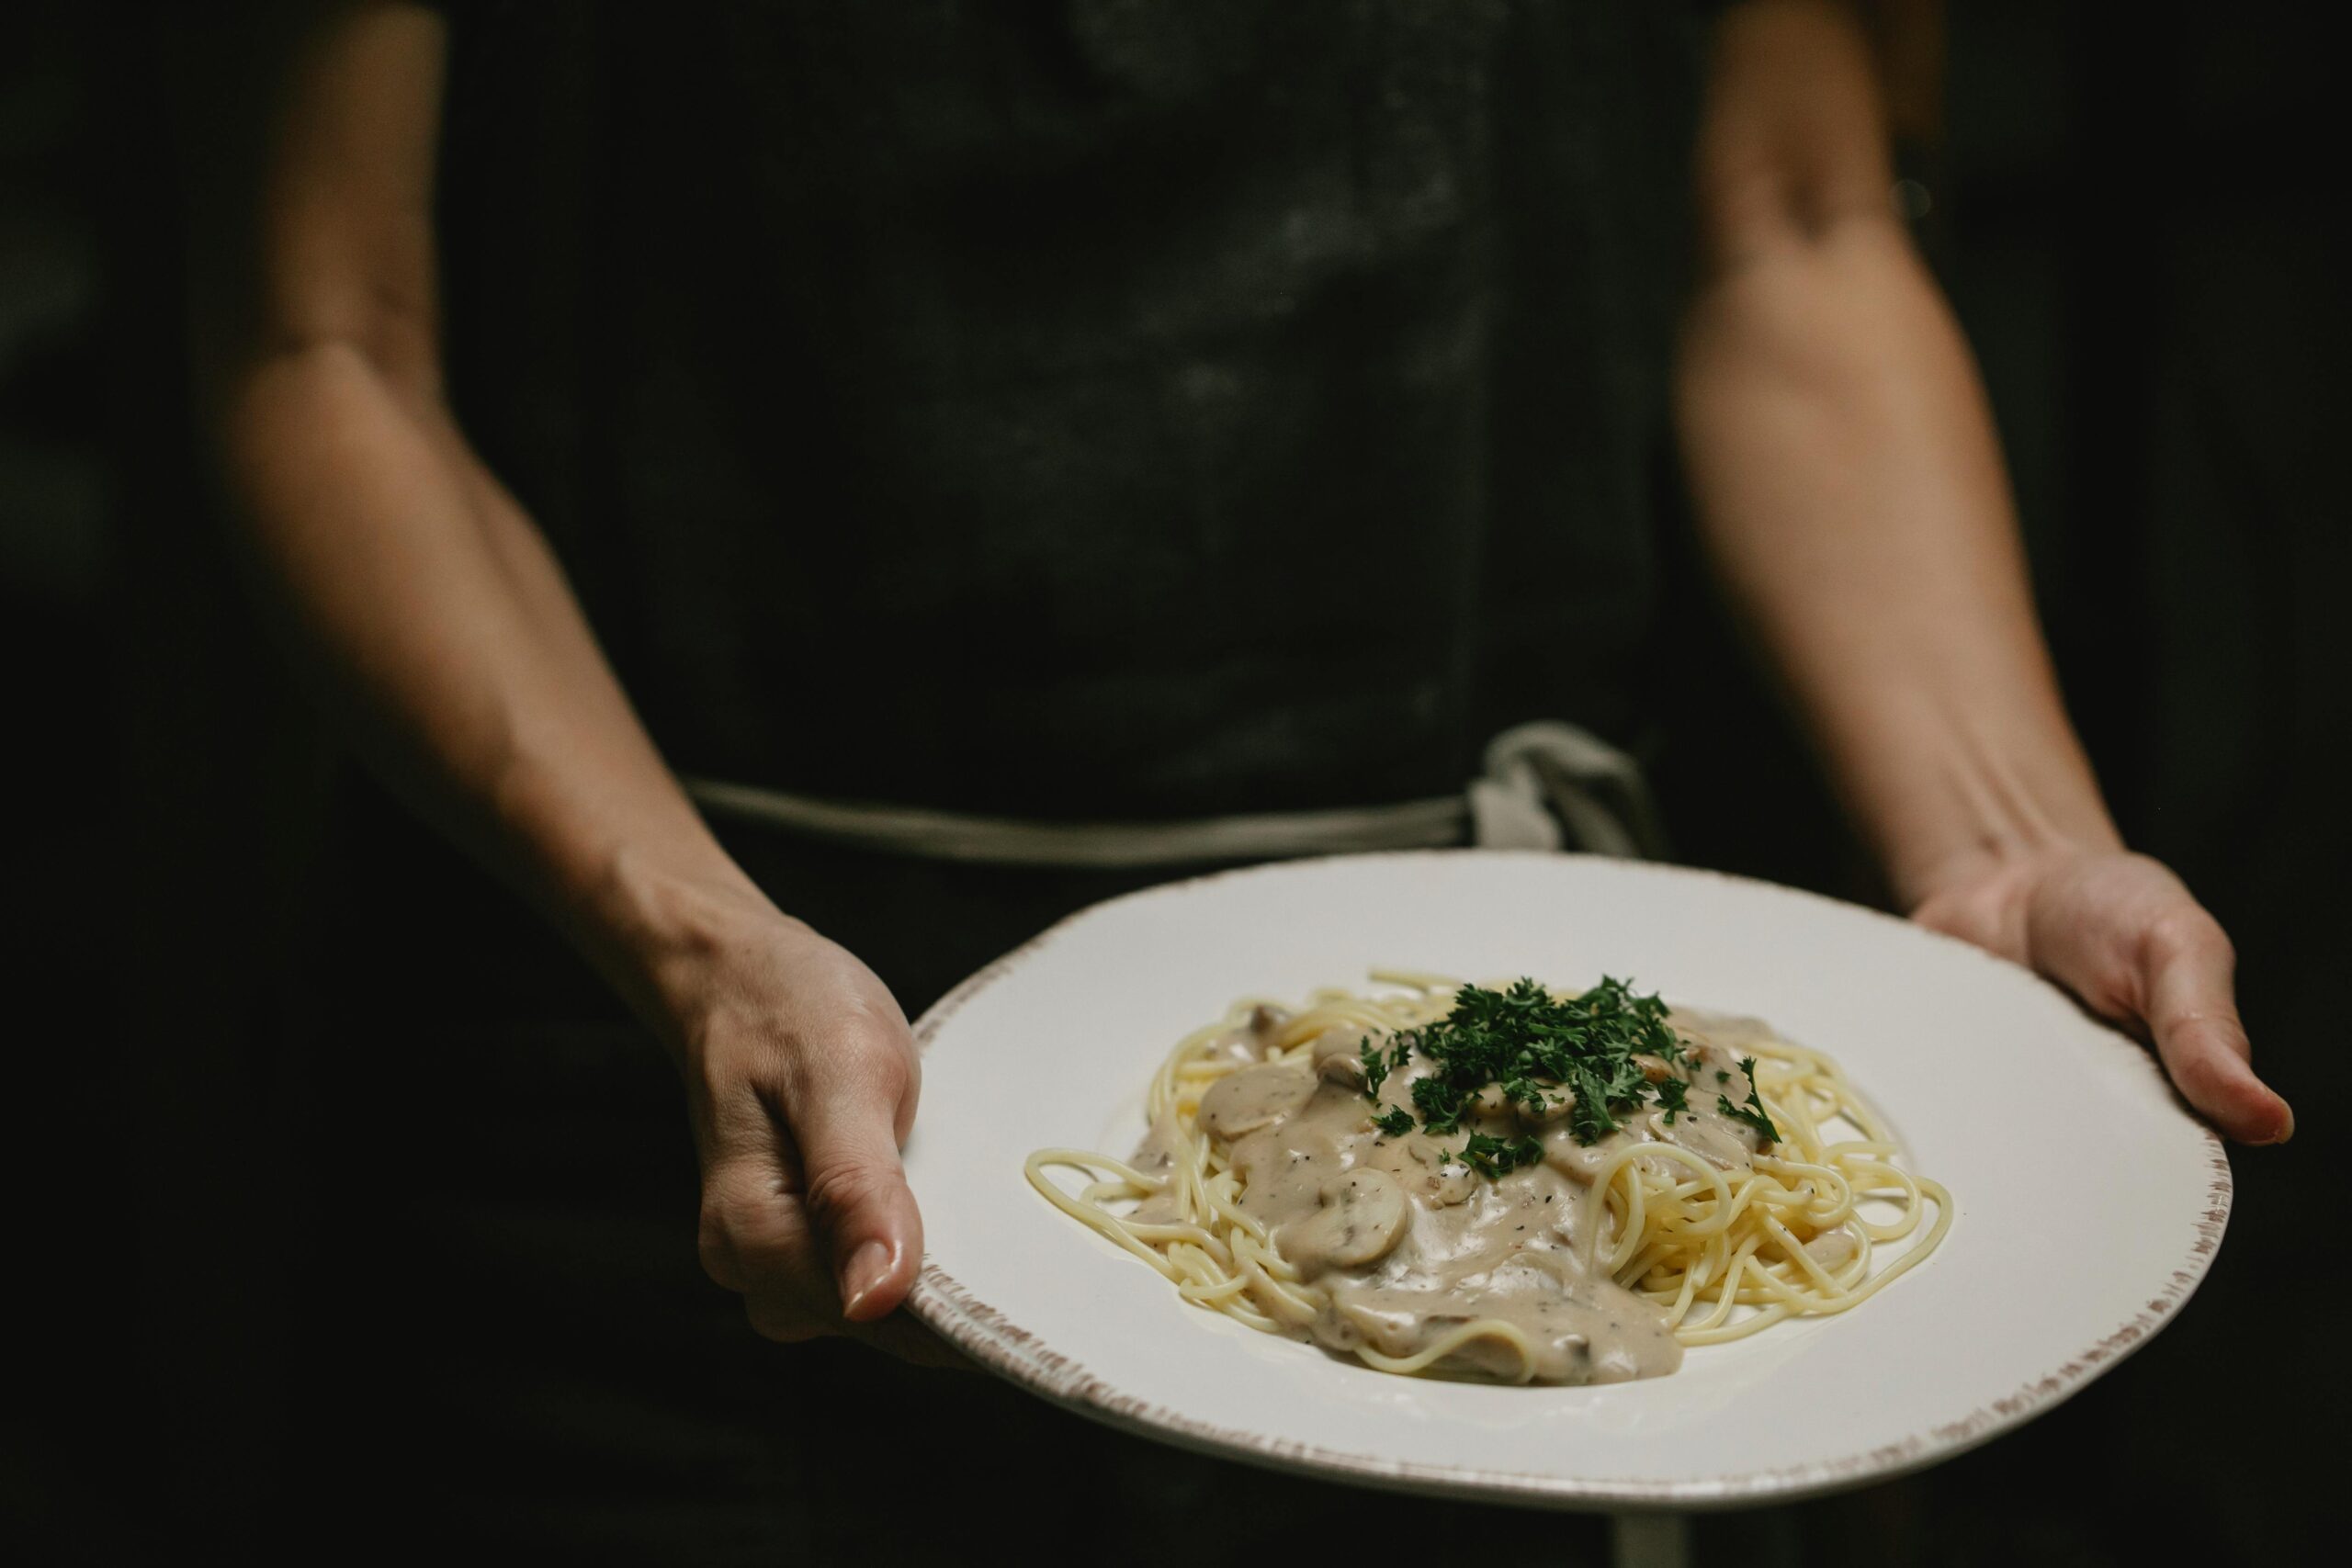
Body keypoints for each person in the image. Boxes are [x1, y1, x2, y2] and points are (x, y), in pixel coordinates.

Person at [181, 0, 2291, 1554]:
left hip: (1512, 1151)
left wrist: (2009, 850)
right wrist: (691, 936)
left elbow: (1791, 219)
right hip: (653, 1078)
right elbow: (319, 333)